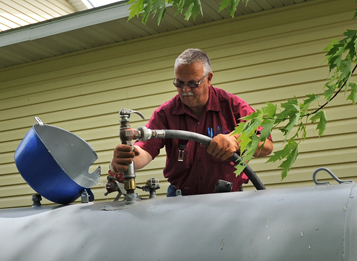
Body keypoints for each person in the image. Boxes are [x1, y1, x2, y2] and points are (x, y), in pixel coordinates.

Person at [110, 48, 273, 196]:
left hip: (228, 197)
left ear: (209, 78)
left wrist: (237, 141)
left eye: (192, 84)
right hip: (180, 199)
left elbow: (266, 145)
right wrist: (126, 157)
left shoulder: (234, 107)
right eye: (179, 83)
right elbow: (145, 151)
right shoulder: (166, 113)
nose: (185, 90)